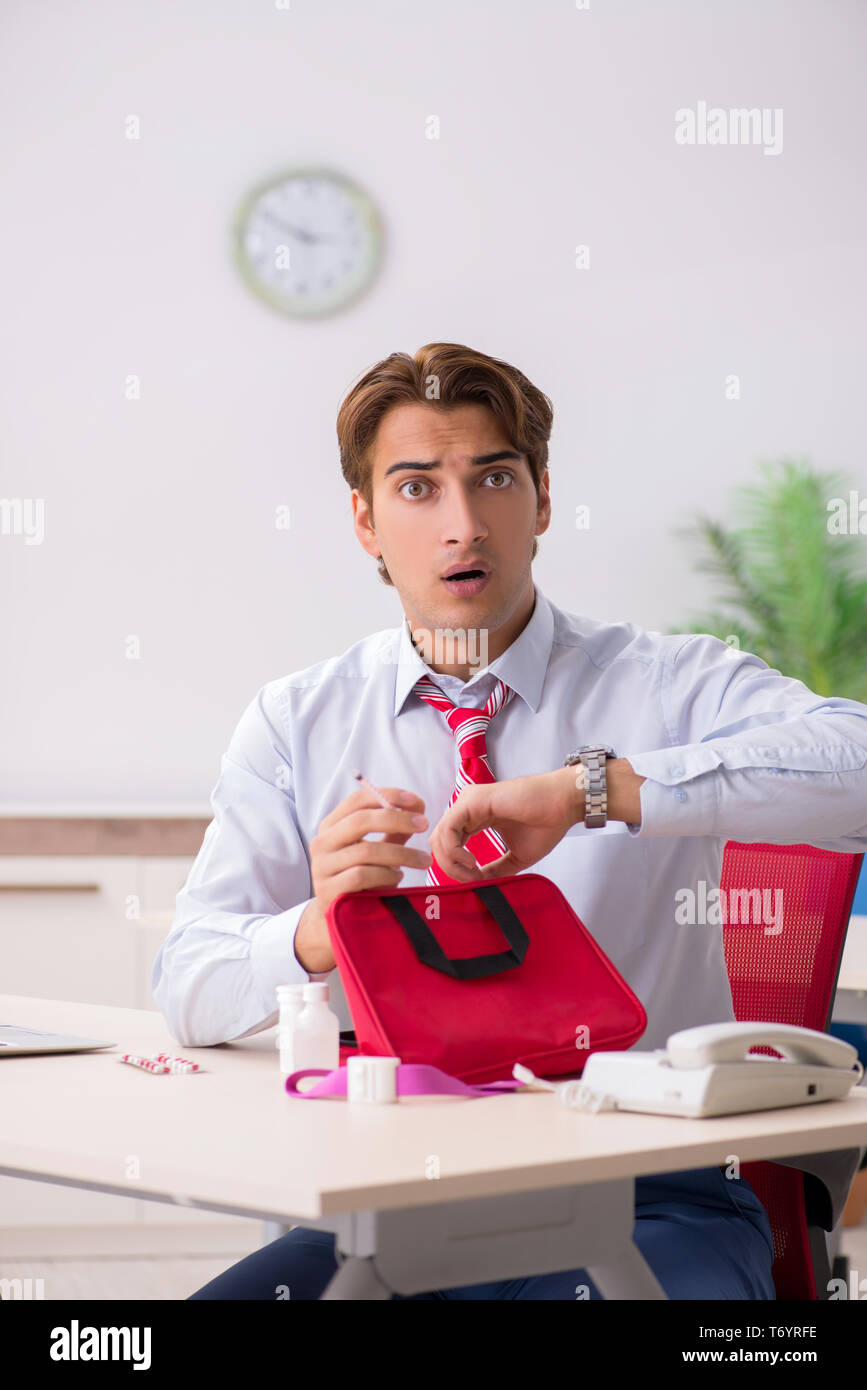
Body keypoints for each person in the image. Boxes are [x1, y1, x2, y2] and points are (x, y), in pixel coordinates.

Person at [152, 342, 867, 1300]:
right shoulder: (297, 721)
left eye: (492, 477)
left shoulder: (666, 682)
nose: (462, 525)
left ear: (539, 501)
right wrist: (319, 932)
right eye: (416, 488)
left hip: (649, 1191)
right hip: (390, 1200)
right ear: (365, 521)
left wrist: (592, 791)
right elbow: (187, 981)